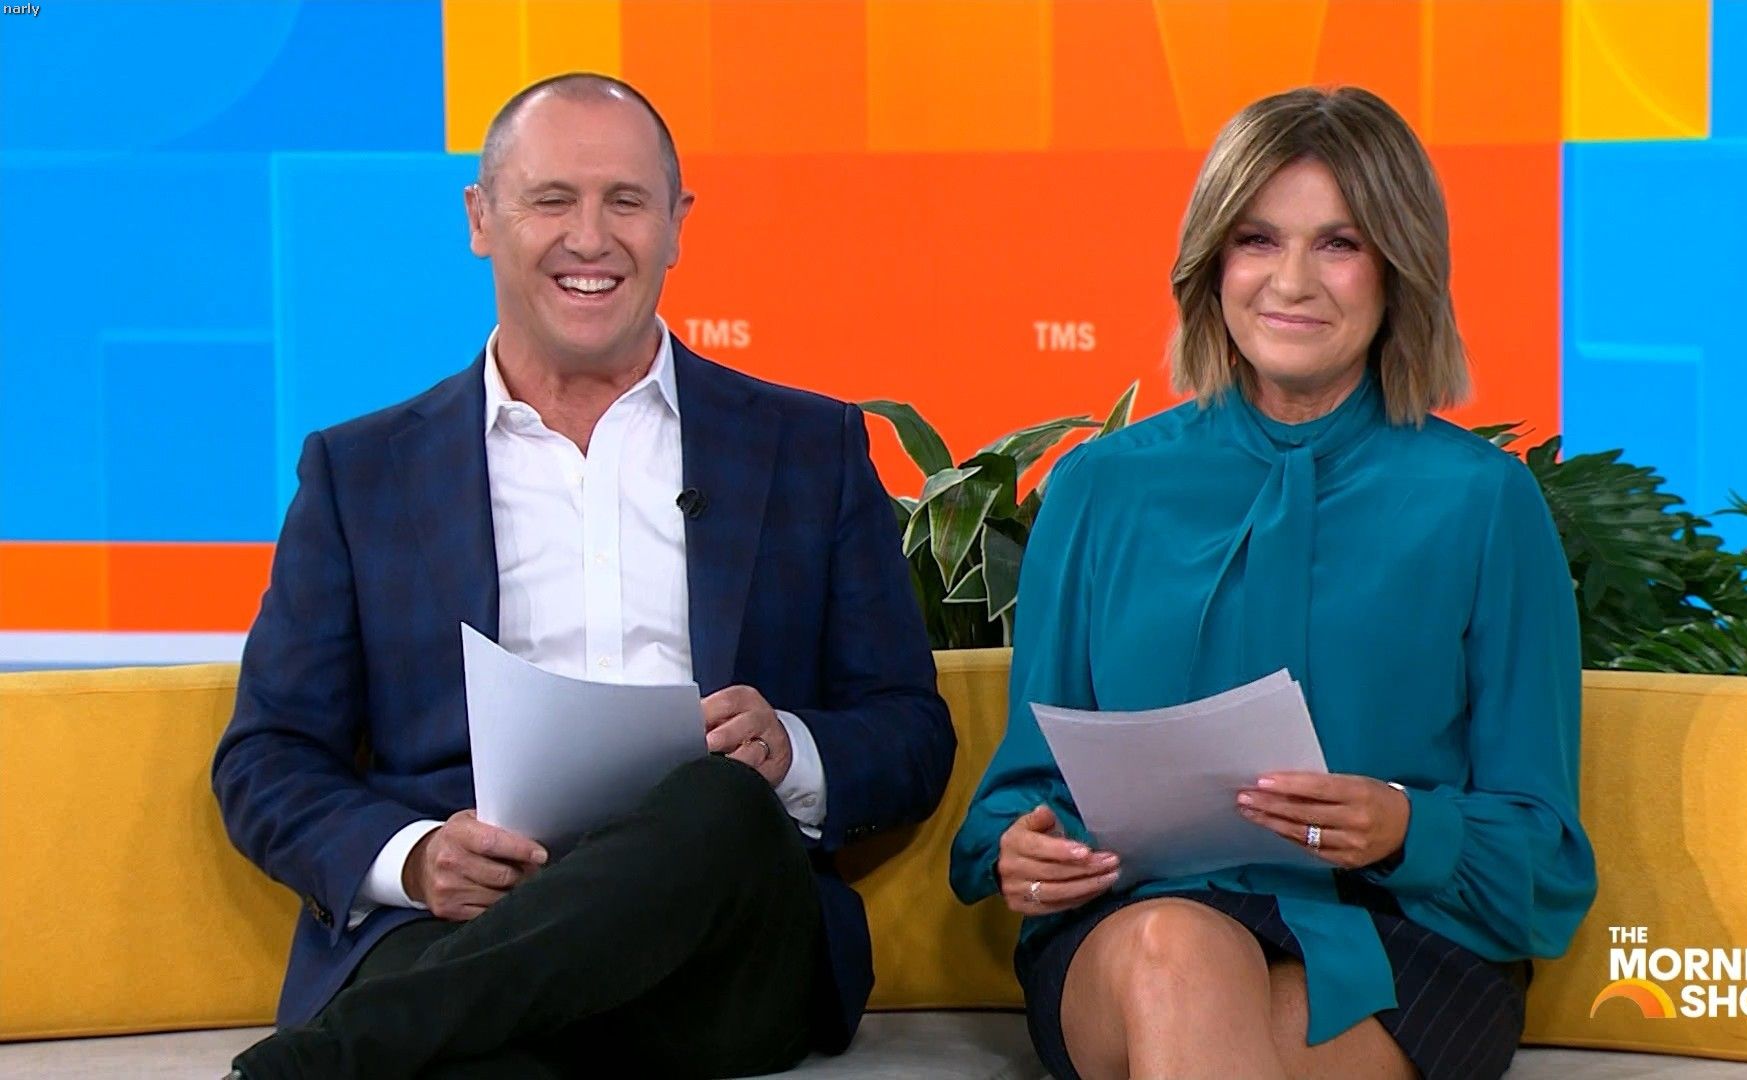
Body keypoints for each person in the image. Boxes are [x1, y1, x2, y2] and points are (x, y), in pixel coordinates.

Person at [213, 72, 954, 1080]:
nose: (591, 239)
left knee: (718, 805)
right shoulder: (362, 473)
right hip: (465, 921)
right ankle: (413, 1036)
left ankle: (336, 1059)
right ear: (481, 219)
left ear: (678, 224)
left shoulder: (807, 448)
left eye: (626, 201)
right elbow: (268, 756)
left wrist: (792, 751)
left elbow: (910, 731)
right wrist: (417, 857)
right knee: (487, 1046)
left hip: (723, 939)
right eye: (552, 200)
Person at [949, 86, 1597, 1080]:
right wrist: (1022, 849)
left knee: (1197, 1005)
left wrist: (1403, 826)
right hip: (1134, 929)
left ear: (1399, 269)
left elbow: (1545, 859)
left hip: (1400, 937)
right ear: (1213, 263)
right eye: (1257, 239)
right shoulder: (1098, 489)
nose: (1291, 281)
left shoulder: (1483, 502)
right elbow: (1023, 790)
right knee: (1178, 951)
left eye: (1339, 244)